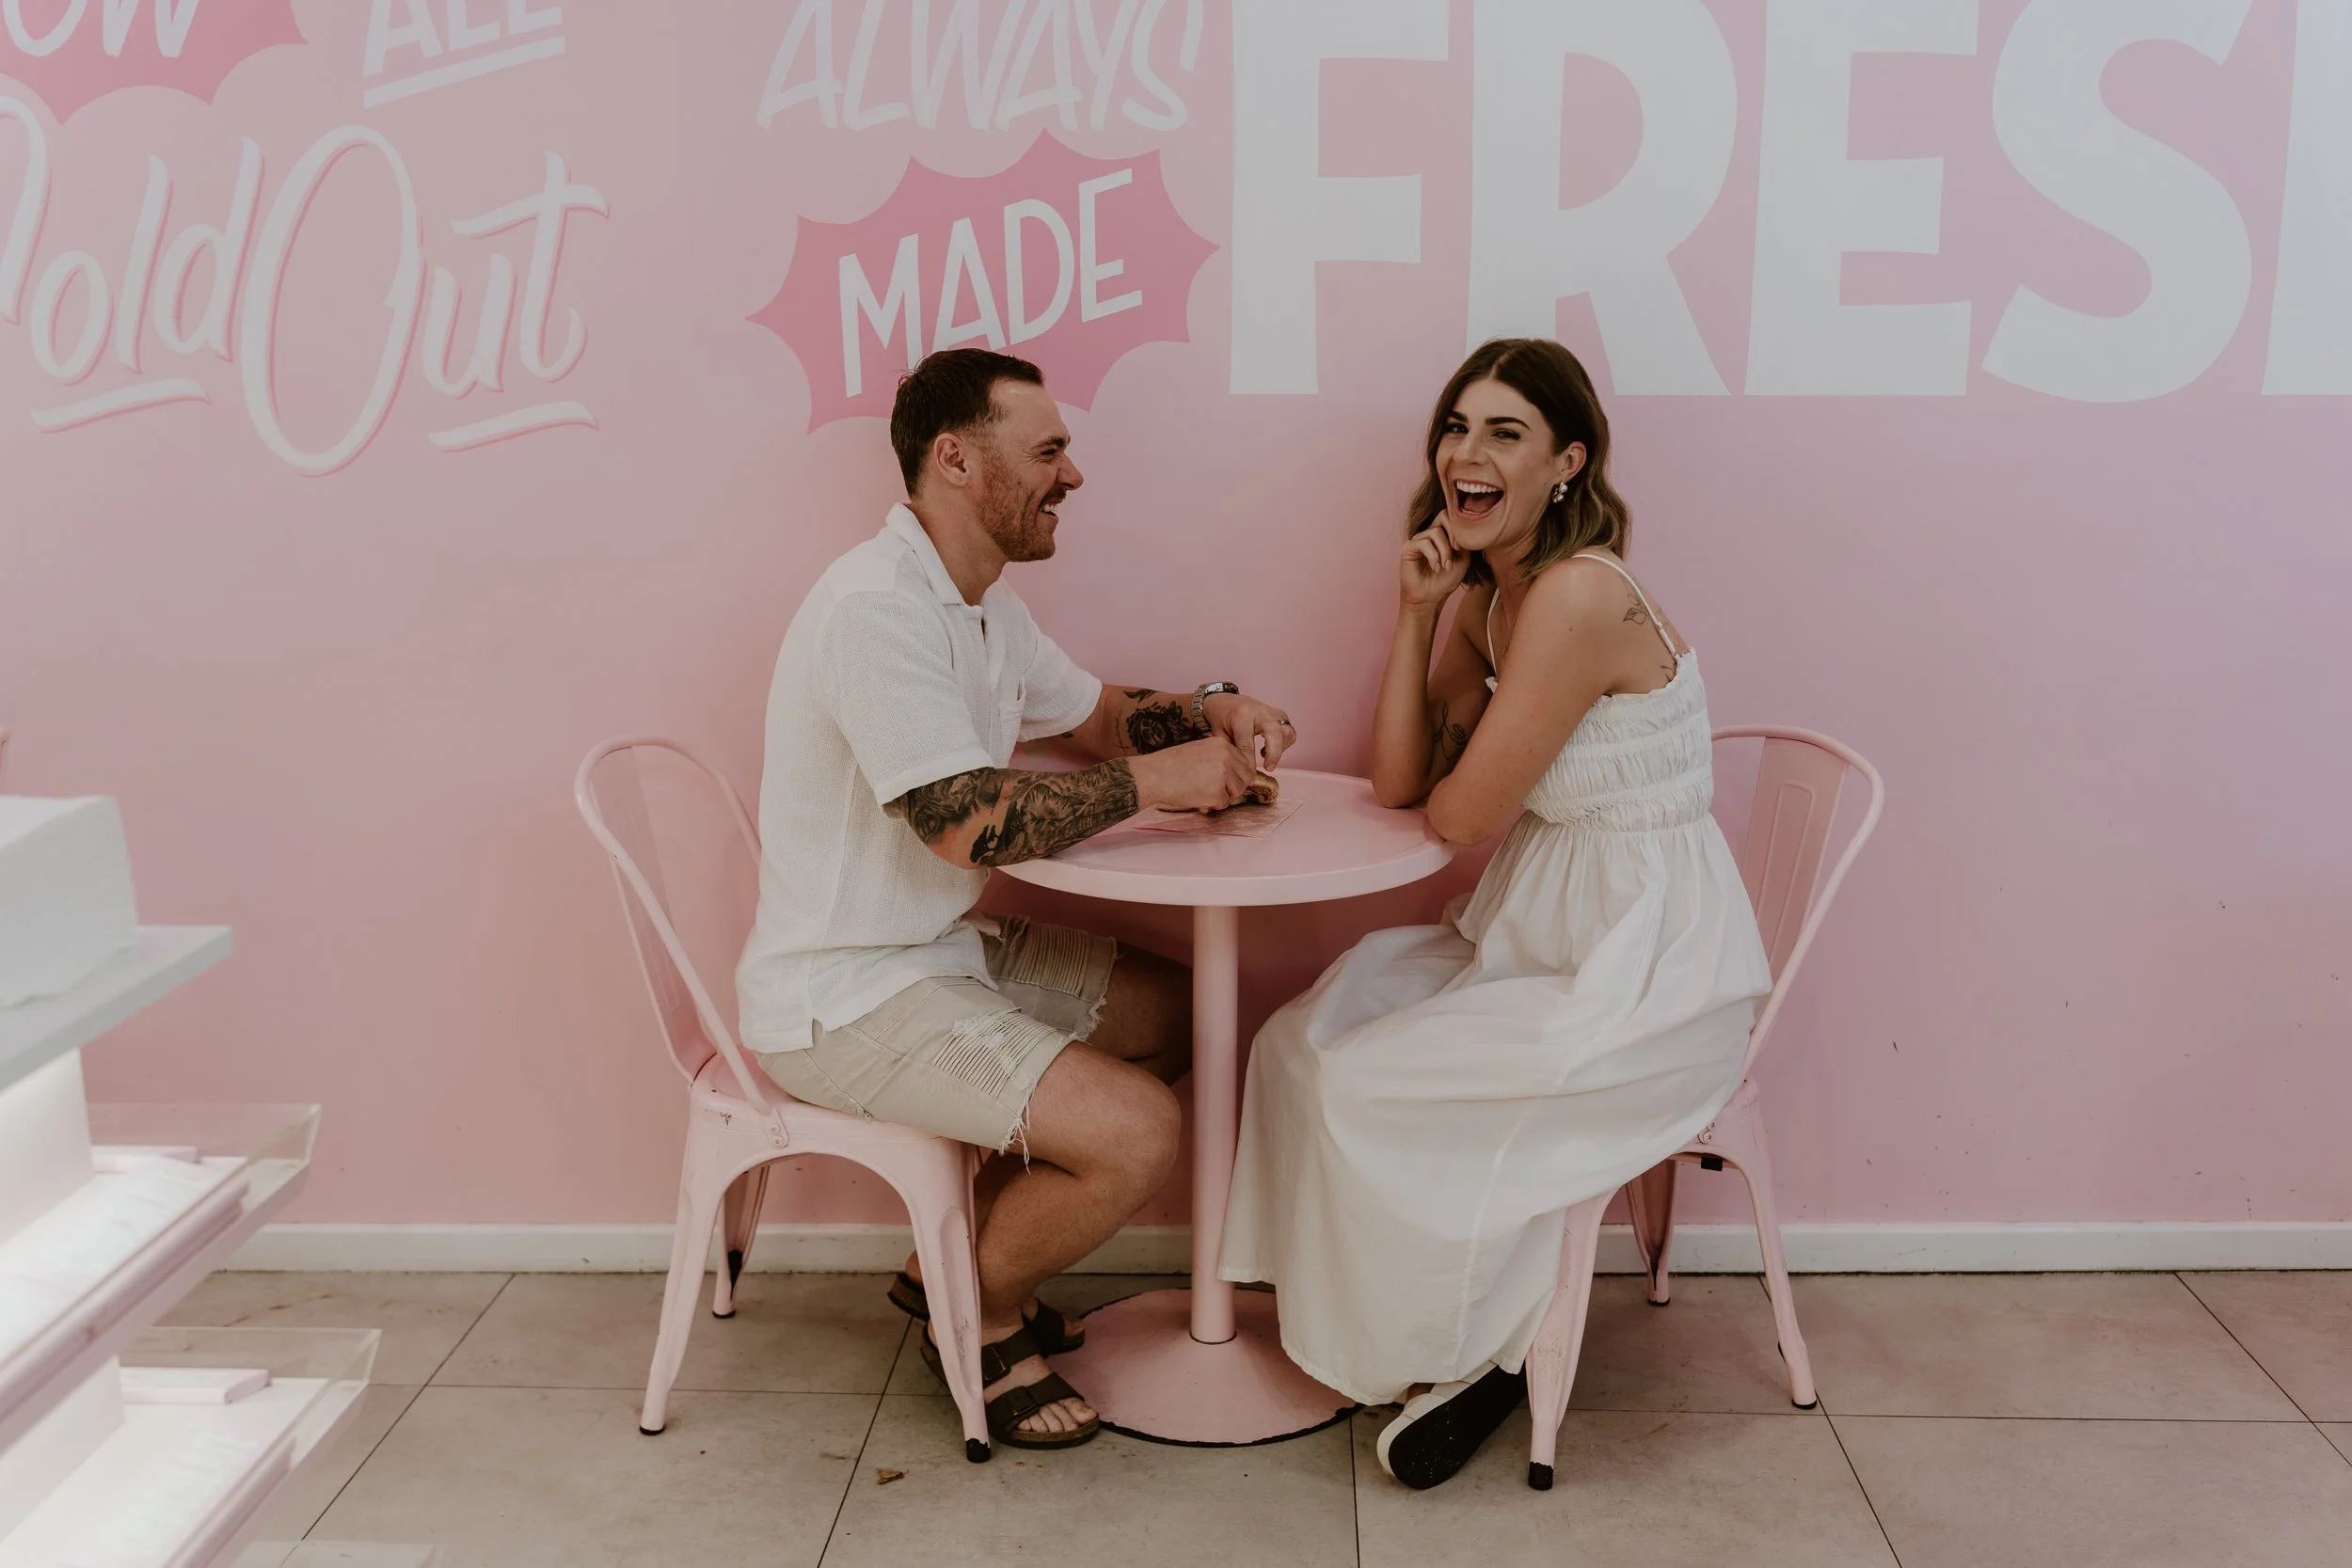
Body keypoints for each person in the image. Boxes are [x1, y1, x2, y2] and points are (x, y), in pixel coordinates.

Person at [1219, 338, 1772, 1490]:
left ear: (1568, 462)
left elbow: (1463, 816)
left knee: (1372, 1079)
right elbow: (1399, 786)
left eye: (1504, 433)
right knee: (1295, 1041)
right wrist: (1417, 611)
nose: (1465, 453)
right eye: (1456, 427)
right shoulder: (1495, 597)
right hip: (1538, 933)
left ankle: (1486, 1346)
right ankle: (1378, 1324)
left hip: (1644, 964)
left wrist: (1456, 679)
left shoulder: (1575, 594)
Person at [736, 347, 1298, 1450]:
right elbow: (965, 822)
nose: (1072, 475)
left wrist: (1209, 711)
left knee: (1186, 1008)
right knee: (1141, 1131)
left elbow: (1095, 718)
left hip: (931, 948)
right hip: (839, 991)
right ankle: (981, 1314)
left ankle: (945, 1253)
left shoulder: (981, 602)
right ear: (955, 459)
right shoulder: (875, 610)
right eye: (1048, 450)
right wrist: (1152, 782)